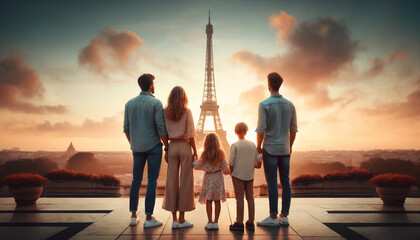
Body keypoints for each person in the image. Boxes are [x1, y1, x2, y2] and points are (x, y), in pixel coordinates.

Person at [123, 73, 169, 228]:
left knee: (135, 181)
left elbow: (126, 129)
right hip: (153, 147)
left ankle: (133, 215)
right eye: (153, 84)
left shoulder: (129, 103)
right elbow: (161, 127)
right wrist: (167, 146)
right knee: (151, 181)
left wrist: (133, 143)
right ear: (150, 85)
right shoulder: (156, 103)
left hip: (137, 147)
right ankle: (149, 217)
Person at [256, 72, 297, 227]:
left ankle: (273, 217)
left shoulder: (264, 104)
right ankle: (284, 216)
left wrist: (259, 148)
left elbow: (260, 130)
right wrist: (290, 146)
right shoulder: (290, 105)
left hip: (270, 149)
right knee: (286, 181)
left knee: (272, 181)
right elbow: (293, 130)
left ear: (269, 84)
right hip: (285, 150)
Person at [162, 86, 198, 229]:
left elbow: (162, 132)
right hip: (184, 146)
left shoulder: (164, 112)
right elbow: (191, 134)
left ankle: (174, 220)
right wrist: (195, 151)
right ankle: (182, 219)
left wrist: (166, 148)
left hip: (171, 146)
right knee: (186, 181)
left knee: (171, 181)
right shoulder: (187, 111)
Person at [228, 122, 262, 232]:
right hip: (249, 175)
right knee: (250, 198)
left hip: (238, 175)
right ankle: (251, 222)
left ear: (236, 132)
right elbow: (258, 162)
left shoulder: (235, 145)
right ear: (246, 131)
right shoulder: (252, 145)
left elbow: (231, 163)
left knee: (239, 199)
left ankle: (239, 222)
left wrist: (232, 173)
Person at [193, 133, 230, 230]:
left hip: (208, 178)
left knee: (208, 201)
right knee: (217, 201)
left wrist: (192, 160)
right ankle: (216, 222)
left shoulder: (205, 153)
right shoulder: (221, 153)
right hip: (218, 178)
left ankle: (210, 221)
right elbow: (226, 170)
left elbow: (197, 165)